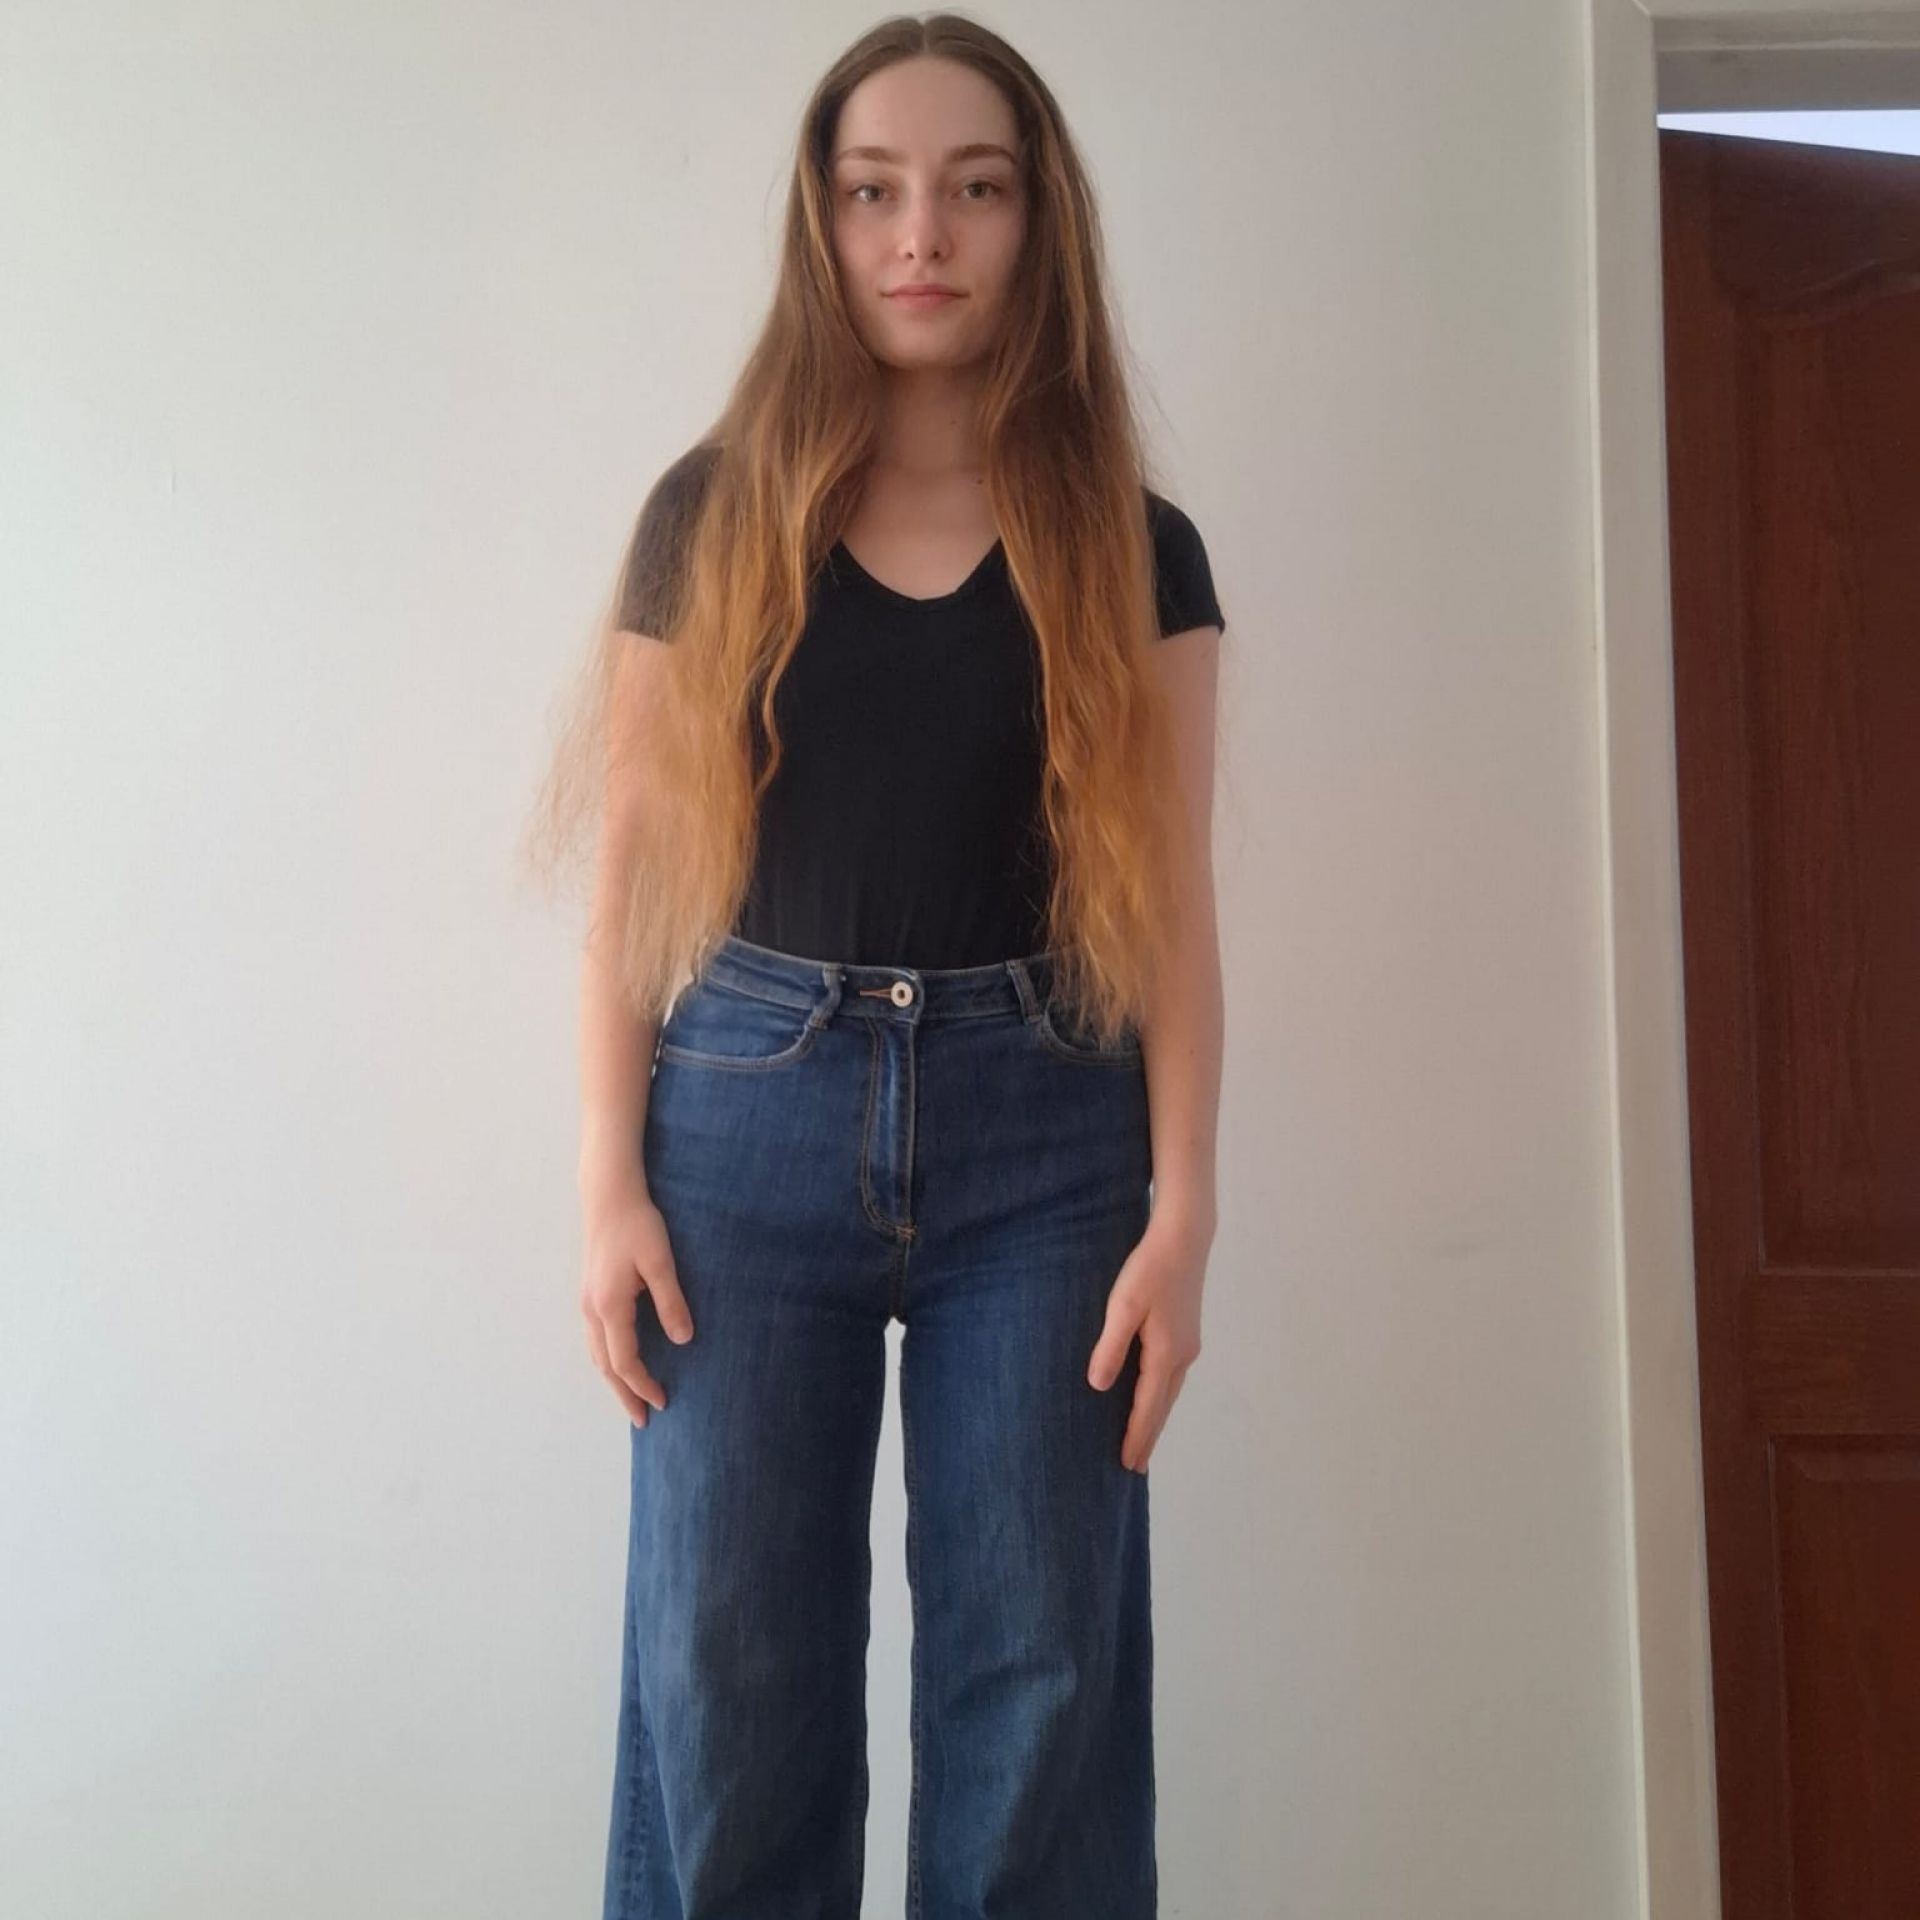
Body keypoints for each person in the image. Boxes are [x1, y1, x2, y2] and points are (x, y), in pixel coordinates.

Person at [528, 15, 1227, 1918]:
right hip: (743, 1128)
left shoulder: (1137, 550)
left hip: (1051, 1139)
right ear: (821, 224)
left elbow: (1169, 905)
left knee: (1040, 1684)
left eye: (975, 188)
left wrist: (1184, 1210)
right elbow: (635, 886)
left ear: (1038, 221)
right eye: (874, 190)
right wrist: (606, 1183)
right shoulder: (712, 517)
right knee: (727, 1677)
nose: (923, 232)